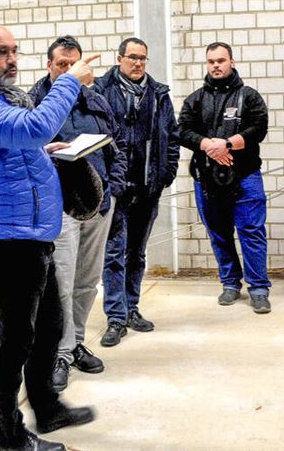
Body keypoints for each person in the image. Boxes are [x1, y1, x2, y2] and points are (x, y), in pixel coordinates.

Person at [0, 23, 98, 451]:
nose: (11, 60)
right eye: (0, 52)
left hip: (34, 231)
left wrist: (43, 155)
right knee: (14, 341)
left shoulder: (1, 96)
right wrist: (68, 82)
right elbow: (32, 128)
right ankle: (8, 437)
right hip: (9, 236)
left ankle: (47, 407)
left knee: (49, 328)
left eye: (14, 51)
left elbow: (20, 143)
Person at [27, 36, 126, 392]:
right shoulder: (34, 103)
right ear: (48, 65)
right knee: (62, 285)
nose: (68, 71)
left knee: (86, 282)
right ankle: (60, 354)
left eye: (74, 65)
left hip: (98, 204)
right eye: (61, 65)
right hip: (60, 206)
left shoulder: (96, 100)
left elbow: (117, 146)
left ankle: (76, 342)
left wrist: (113, 186)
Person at [92, 37, 180, 347]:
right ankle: (115, 318)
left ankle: (131, 308)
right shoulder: (101, 91)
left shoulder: (158, 95)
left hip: (148, 188)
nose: (138, 63)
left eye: (142, 57)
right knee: (114, 254)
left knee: (137, 254)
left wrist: (166, 174)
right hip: (117, 190)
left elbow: (171, 137)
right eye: (132, 57)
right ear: (119, 59)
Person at [179, 41, 272, 313]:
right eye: (211, 61)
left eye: (221, 60)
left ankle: (258, 288)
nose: (216, 65)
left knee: (251, 232)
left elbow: (259, 129)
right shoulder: (195, 99)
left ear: (231, 62)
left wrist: (228, 144)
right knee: (219, 234)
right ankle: (230, 283)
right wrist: (209, 145)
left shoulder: (249, 96)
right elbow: (182, 130)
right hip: (207, 180)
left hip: (245, 177)